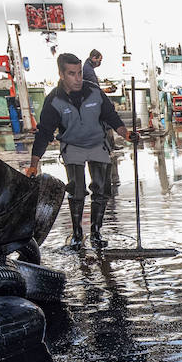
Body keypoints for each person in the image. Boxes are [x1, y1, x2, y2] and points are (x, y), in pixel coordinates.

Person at [28, 52, 130, 247]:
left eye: (80, 73)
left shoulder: (94, 92)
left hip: (97, 144)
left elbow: (111, 116)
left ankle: (96, 233)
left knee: (102, 189)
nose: (78, 79)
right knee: (76, 191)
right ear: (61, 74)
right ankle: (76, 234)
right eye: (72, 74)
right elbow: (44, 133)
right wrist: (34, 165)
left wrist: (126, 134)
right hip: (72, 146)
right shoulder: (53, 101)